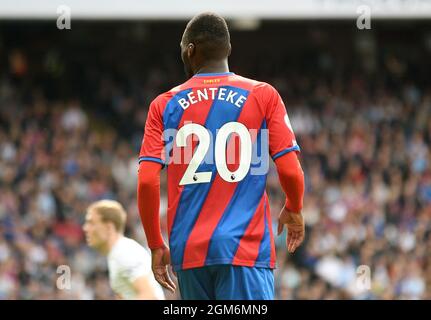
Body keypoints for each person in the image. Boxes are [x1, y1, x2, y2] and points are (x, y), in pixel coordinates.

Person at [137, 12, 305, 300]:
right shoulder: (263, 95)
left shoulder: (163, 105)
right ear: (228, 49)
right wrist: (294, 207)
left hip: (189, 251)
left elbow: (146, 182)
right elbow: (290, 171)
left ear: (190, 51)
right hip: (245, 249)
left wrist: (155, 243)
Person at [83, 199, 165, 300]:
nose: (86, 228)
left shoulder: (123, 252)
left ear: (109, 227)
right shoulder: (117, 253)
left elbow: (150, 296)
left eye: (92, 223)